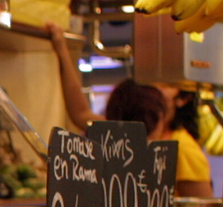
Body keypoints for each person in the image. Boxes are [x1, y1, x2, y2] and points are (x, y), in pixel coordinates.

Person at [47, 23, 213, 197]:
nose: (156, 87)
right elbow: (80, 112)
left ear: (182, 100)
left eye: (166, 84)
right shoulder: (120, 137)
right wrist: (61, 50)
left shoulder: (183, 149)